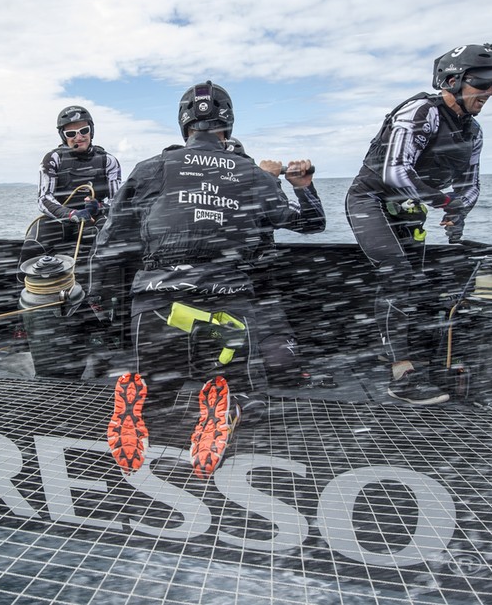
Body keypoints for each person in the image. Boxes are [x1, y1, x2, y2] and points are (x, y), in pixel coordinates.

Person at [90, 81, 323, 479]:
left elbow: (110, 239)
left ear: (184, 125)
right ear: (227, 125)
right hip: (225, 298)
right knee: (245, 387)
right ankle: (232, 400)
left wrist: (100, 293)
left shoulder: (152, 167)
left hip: (157, 300)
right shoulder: (250, 171)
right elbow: (311, 224)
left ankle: (147, 394)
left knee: (159, 382)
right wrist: (303, 186)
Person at [345, 43, 492, 406]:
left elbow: (471, 184)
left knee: (411, 284)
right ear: (452, 81)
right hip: (370, 201)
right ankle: (401, 375)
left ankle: (390, 350)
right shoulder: (422, 111)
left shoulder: (474, 132)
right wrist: (445, 201)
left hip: (409, 209)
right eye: (483, 84)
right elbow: (395, 172)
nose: (490, 92)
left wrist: (458, 213)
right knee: (397, 274)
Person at [225, 138, 329, 390]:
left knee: (284, 368)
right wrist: (265, 179)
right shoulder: (196, 196)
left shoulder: (261, 191)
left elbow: (313, 224)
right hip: (213, 293)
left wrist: (303, 187)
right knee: (219, 367)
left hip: (258, 293)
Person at [19, 105, 122, 280]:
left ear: (91, 130)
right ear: (63, 136)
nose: (79, 137)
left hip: (93, 217)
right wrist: (70, 214)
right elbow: (44, 199)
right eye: (71, 134)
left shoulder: (108, 160)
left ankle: (98, 295)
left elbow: (117, 201)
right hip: (60, 217)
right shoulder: (53, 159)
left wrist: (99, 207)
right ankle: (26, 293)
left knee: (108, 245)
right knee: (32, 245)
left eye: (84, 130)